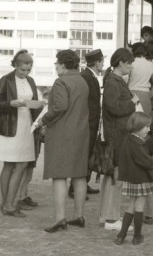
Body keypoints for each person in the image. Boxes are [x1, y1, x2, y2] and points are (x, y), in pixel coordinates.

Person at [38, 50, 89, 233]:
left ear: (63, 64)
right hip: (81, 133)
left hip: (62, 133)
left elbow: (60, 106)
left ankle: (60, 218)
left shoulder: (61, 82)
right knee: (79, 175)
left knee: (59, 175)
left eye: (57, 63)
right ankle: (79, 215)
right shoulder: (82, 81)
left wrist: (43, 120)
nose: (56, 66)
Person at [0, 50, 44, 217]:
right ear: (15, 66)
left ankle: (7, 204)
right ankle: (8, 205)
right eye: (22, 70)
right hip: (10, 128)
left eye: (28, 70)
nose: (25, 73)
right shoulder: (5, 80)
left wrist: (38, 105)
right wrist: (10, 103)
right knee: (11, 165)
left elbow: (32, 101)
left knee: (20, 165)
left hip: (26, 126)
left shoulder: (31, 81)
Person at [99, 48, 138, 231]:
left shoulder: (113, 80)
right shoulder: (114, 82)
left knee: (112, 177)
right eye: (129, 63)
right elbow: (113, 107)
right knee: (116, 177)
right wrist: (133, 103)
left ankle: (107, 216)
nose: (131, 66)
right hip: (118, 135)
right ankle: (112, 218)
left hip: (116, 134)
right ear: (121, 62)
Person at [114, 112, 153, 246]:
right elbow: (144, 161)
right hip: (141, 178)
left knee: (131, 206)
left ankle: (121, 235)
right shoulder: (138, 143)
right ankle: (137, 236)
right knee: (139, 206)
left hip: (131, 178)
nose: (149, 129)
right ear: (137, 126)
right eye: (146, 126)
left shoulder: (128, 139)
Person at [69, 49, 104, 199]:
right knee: (83, 157)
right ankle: (75, 188)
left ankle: (83, 184)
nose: (103, 64)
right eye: (102, 61)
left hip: (91, 123)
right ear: (97, 63)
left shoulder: (90, 75)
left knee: (88, 155)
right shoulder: (87, 77)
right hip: (87, 123)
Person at [128, 42, 153, 114]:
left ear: (133, 51)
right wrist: (149, 95)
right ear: (145, 52)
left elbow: (125, 79)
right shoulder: (150, 64)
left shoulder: (130, 63)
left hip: (130, 93)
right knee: (144, 121)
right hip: (145, 95)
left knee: (130, 120)